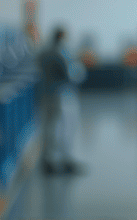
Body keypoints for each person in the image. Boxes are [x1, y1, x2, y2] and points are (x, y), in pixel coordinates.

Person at [39, 24, 86, 174]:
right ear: (62, 37)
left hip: (47, 93)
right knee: (65, 128)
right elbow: (72, 74)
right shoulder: (62, 53)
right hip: (63, 95)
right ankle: (64, 160)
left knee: (50, 126)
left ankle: (49, 160)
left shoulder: (44, 52)